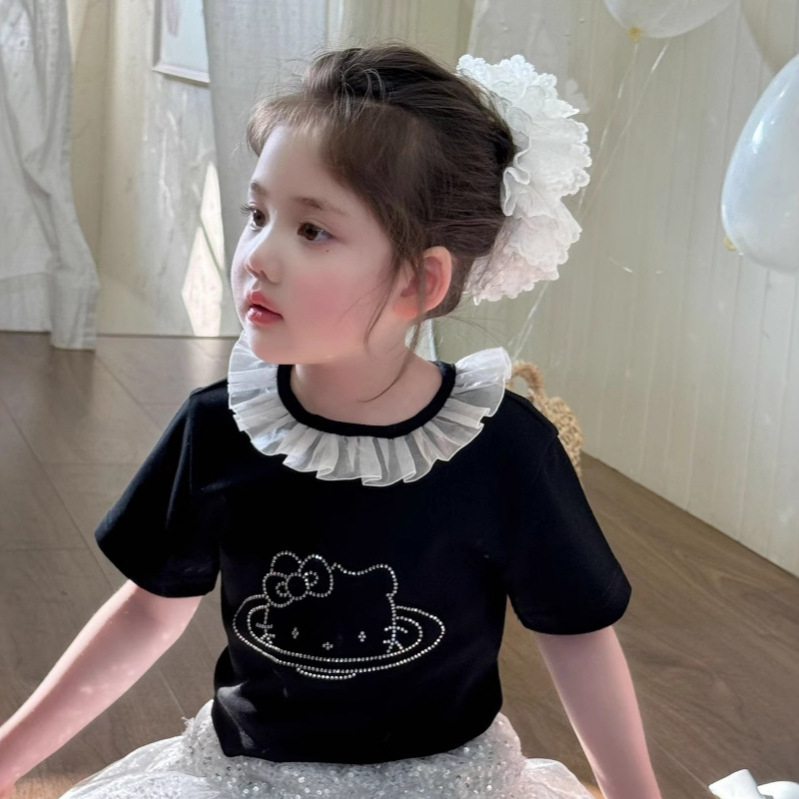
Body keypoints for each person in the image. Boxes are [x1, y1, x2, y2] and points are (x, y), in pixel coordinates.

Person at [0, 43, 663, 799]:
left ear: (419, 280)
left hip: (448, 784)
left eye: (311, 230)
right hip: (250, 778)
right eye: (257, 216)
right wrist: (7, 755)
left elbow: (575, 636)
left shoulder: (505, 449)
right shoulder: (219, 428)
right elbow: (150, 614)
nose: (257, 256)